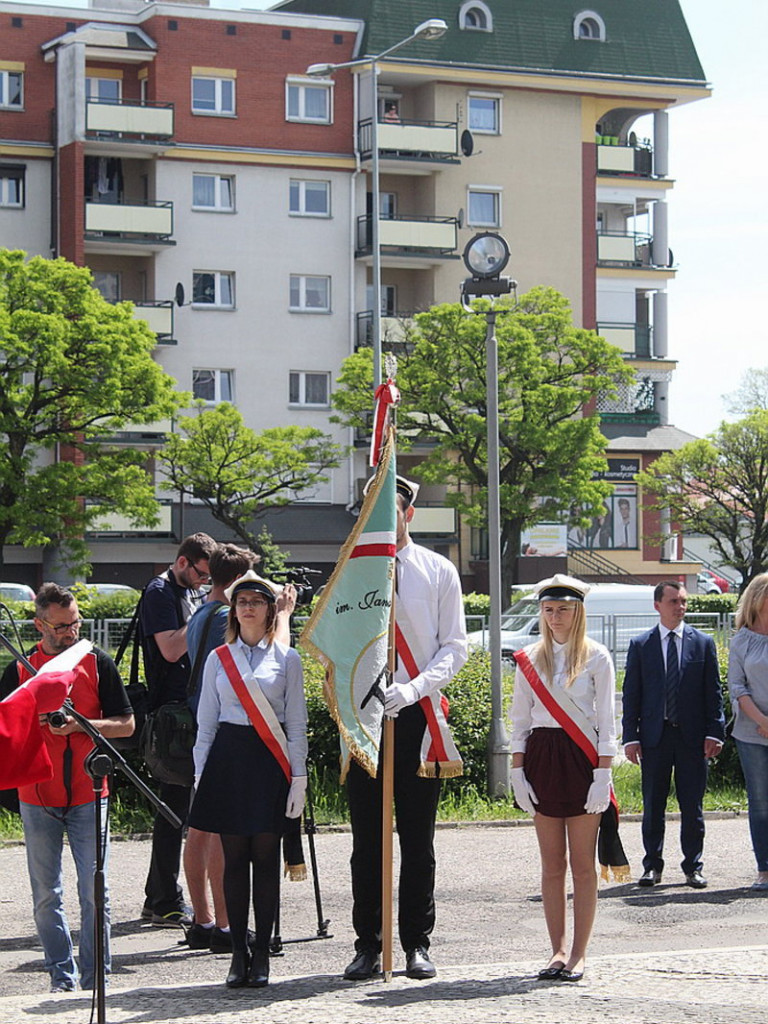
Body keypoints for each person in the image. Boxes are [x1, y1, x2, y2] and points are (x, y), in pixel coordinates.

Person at [343, 475, 467, 982]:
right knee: (366, 842)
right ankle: (368, 945)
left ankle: (416, 942)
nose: (379, 520)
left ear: (408, 514)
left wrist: (412, 689)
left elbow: (454, 647)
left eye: (387, 510)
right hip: (365, 713)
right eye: (369, 511)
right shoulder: (352, 573)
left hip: (415, 714)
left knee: (418, 841)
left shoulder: (438, 570)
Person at [0, 584, 134, 993]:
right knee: (46, 895)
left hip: (90, 794)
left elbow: (127, 724)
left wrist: (80, 725)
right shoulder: (20, 670)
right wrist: (31, 722)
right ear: (40, 623)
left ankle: (97, 979)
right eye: (61, 626)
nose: (70, 632)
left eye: (75, 622)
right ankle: (63, 976)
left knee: (95, 891)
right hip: (37, 797)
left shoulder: (96, 662)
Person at [189, 570, 307, 988]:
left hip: (268, 764)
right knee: (234, 863)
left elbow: (295, 724)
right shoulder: (218, 659)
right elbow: (205, 724)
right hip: (228, 762)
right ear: (234, 611)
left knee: (266, 863)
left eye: (256, 602)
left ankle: (262, 955)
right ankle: (237, 951)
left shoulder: (287, 659)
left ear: (270, 610)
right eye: (241, 602)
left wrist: (299, 778)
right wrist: (202, 773)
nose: (248, 608)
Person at [510, 573, 618, 983]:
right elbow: (519, 720)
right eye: (549, 609)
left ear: (578, 612)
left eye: (564, 609)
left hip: (583, 760)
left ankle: (579, 954)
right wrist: (518, 771)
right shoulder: (529, 659)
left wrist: (602, 774)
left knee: (582, 866)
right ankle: (555, 950)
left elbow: (608, 721)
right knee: (551, 865)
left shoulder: (596, 656)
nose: (555, 617)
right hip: (543, 759)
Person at [622, 581, 725, 888]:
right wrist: (631, 737)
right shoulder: (642, 645)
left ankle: (693, 866)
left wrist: (715, 731)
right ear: (657, 605)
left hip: (692, 738)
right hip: (655, 737)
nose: (679, 607)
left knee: (691, 805)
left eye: (682, 601)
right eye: (673, 602)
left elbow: (713, 692)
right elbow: (632, 694)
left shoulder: (702, 643)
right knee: (653, 804)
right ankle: (652, 866)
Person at [140, 531, 217, 928]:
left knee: (179, 807)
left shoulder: (187, 592)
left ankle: (160, 896)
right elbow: (170, 649)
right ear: (183, 562)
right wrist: (206, 615)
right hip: (171, 716)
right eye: (202, 574)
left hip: (185, 710)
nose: (205, 582)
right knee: (173, 809)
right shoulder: (160, 592)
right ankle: (164, 899)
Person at [727, 572, 768, 890]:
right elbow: (738, 688)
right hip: (751, 733)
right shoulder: (741, 639)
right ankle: (764, 869)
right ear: (758, 598)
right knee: (760, 802)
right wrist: (764, 722)